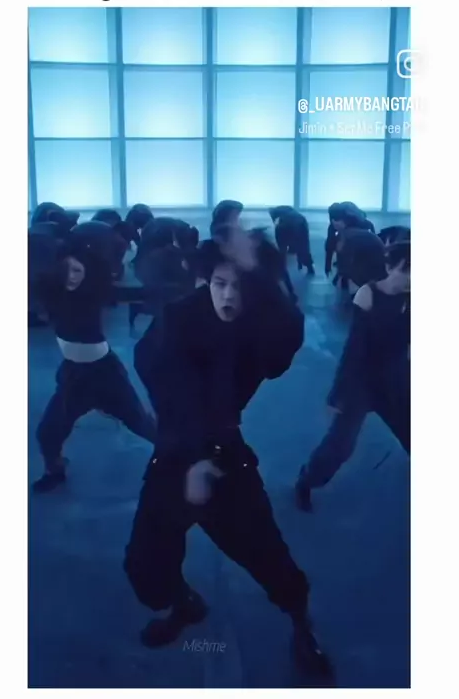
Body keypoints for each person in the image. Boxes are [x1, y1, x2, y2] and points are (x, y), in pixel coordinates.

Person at [125, 227, 334, 682]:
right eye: (220, 284)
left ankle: (301, 625)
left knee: (268, 556)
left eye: (239, 287)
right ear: (205, 281)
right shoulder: (180, 319)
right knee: (146, 562)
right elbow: (165, 379)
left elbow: (282, 349)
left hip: (226, 457)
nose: (228, 296)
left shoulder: (259, 325)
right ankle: (183, 602)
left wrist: (261, 273)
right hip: (178, 454)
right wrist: (193, 454)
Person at [32, 230, 156, 494]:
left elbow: (132, 293)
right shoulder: (50, 293)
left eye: (78, 271)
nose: (72, 277)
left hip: (105, 374)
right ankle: (55, 470)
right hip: (73, 376)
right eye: (67, 270)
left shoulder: (94, 293)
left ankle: (185, 460)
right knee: (48, 432)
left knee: (141, 424)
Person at [295, 240, 410, 512]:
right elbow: (354, 350)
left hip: (396, 380)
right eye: (406, 270)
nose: (412, 278)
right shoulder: (368, 295)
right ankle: (307, 480)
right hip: (363, 384)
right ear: (389, 267)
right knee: (341, 445)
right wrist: (338, 394)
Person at [325, 202, 375, 290]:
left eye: (335, 221)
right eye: (332, 220)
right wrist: (328, 264)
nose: (333, 222)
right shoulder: (336, 223)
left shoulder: (358, 221)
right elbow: (330, 244)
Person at [270, 206, 315, 275]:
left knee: (282, 247)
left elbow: (276, 224)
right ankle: (309, 266)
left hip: (288, 224)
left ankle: (282, 266)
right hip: (301, 222)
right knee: (303, 245)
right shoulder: (287, 210)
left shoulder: (275, 213)